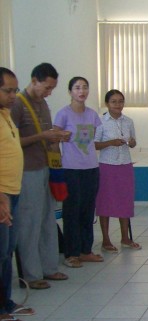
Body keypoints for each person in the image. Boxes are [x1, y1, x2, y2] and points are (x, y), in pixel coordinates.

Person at [10, 63, 70, 285]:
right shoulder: (17, 104)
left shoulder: (43, 104)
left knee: (47, 220)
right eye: (46, 87)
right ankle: (31, 275)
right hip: (27, 171)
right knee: (29, 223)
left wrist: (56, 137)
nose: (49, 92)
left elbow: (45, 135)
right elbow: (12, 141)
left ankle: (49, 267)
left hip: (46, 168)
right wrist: (42, 136)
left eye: (52, 88)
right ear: (34, 80)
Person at [53, 77, 103, 267]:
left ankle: (85, 250)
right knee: (72, 210)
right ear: (70, 91)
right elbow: (54, 137)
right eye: (77, 87)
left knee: (88, 210)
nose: (81, 91)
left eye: (85, 87)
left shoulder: (92, 114)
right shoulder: (63, 114)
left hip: (91, 167)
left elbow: (96, 139)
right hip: (70, 169)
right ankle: (71, 253)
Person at [0, 67, 35, 321]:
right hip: (2, 194)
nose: (13, 95)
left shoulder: (6, 115)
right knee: (1, 252)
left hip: (13, 191)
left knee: (7, 251)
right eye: (7, 91)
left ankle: (6, 303)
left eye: (14, 90)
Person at [94, 89, 140, 254]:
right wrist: (110, 143)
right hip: (107, 165)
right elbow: (94, 145)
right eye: (114, 101)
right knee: (105, 202)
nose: (118, 105)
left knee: (125, 201)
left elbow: (133, 143)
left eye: (120, 101)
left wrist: (132, 142)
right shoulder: (100, 122)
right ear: (107, 104)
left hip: (125, 164)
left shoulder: (128, 121)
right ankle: (106, 239)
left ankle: (125, 237)